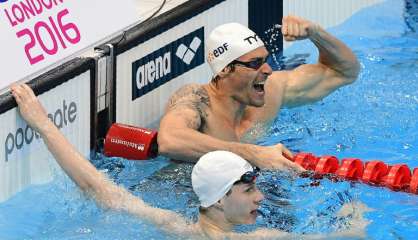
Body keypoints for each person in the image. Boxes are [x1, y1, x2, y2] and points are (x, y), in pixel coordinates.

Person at [11, 83, 369, 239]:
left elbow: (97, 186)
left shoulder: (172, 226)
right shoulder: (260, 237)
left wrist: (43, 123)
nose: (259, 196)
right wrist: (355, 218)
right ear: (216, 200)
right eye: (247, 188)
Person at [158, 15, 360, 170]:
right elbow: (169, 140)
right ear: (224, 69)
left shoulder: (272, 90)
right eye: (255, 63)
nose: (268, 70)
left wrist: (316, 33)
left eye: (265, 60)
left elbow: (344, 72)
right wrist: (253, 154)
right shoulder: (197, 100)